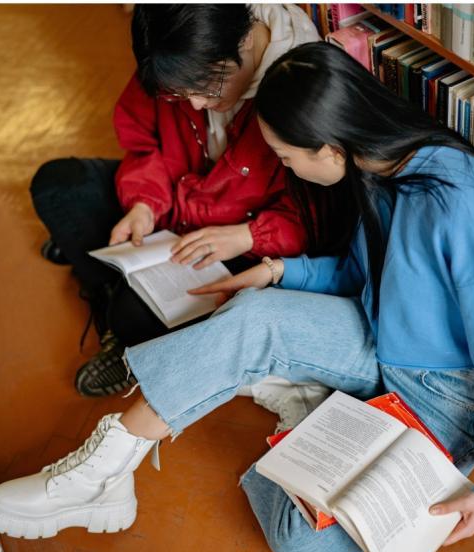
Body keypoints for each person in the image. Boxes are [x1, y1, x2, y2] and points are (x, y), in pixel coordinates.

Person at [0, 42, 474, 552]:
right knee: (256, 317)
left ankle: (330, 420)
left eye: (287, 158)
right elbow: (372, 277)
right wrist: (280, 270)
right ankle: (103, 470)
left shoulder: (462, 205)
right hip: (376, 337)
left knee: (298, 543)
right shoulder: (375, 166)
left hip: (448, 396)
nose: (287, 170)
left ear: (328, 146)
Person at [29, 4, 320, 397]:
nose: (196, 104)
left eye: (208, 85)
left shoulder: (301, 87)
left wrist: (249, 235)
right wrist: (144, 204)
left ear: (246, 40)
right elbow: (144, 143)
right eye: (180, 94)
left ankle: (113, 306)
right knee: (56, 185)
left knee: (133, 314)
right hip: (173, 208)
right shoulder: (173, 52)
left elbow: (318, 214)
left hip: (239, 241)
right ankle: (112, 289)